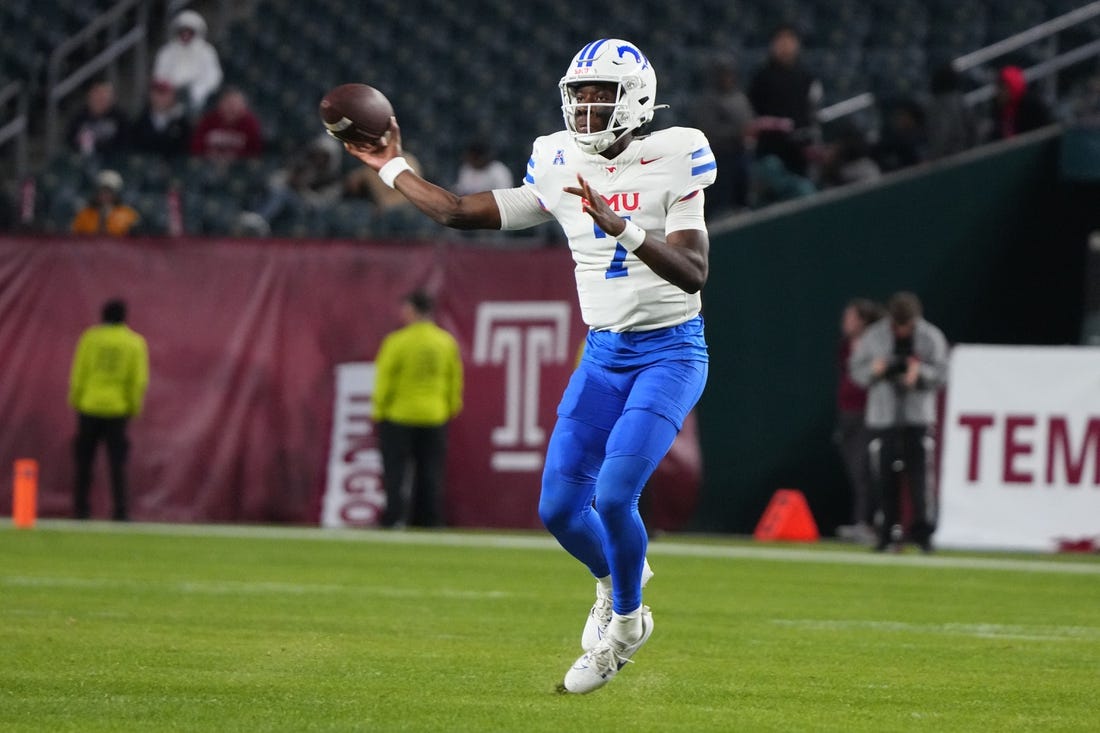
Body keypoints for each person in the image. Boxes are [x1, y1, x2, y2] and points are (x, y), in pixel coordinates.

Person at [343, 38, 716, 694]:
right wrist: (390, 165)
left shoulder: (677, 150)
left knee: (615, 494)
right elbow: (461, 211)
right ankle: (611, 583)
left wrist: (622, 228)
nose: (586, 106)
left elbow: (694, 270)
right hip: (603, 353)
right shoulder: (557, 157)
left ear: (634, 99)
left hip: (670, 349)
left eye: (600, 93)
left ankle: (628, 624)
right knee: (560, 509)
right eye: (579, 94)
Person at [848, 292, 948, 554]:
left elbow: (942, 373)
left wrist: (920, 374)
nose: (902, 330)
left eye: (907, 325)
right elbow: (856, 371)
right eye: (898, 325)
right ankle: (886, 533)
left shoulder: (930, 337)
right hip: (883, 417)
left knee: (920, 479)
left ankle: (923, 534)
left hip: (917, 417)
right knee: (883, 478)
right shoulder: (874, 336)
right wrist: (876, 370)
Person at [372, 290, 463, 529]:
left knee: (395, 472)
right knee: (430, 471)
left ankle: (393, 517)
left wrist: (379, 410)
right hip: (434, 414)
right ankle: (429, 518)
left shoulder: (398, 341)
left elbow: (385, 380)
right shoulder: (445, 341)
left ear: (411, 311)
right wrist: (449, 408)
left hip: (399, 415)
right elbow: (454, 379)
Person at [68, 298, 150, 521]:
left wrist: (76, 400)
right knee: (117, 463)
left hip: (89, 405)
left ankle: (81, 510)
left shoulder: (90, 339)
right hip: (117, 408)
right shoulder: (134, 342)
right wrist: (133, 406)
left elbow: (79, 372)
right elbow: (138, 380)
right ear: (124, 317)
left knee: (84, 461)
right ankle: (120, 511)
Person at [833, 298, 883, 544]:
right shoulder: (846, 345)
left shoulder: (875, 345)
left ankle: (867, 523)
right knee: (855, 470)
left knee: (864, 469)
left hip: (868, 414)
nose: (845, 323)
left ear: (863, 321)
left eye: (851, 318)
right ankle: (860, 522)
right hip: (847, 413)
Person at [748, 24, 822, 176]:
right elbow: (753, 114)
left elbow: (811, 110)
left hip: (801, 147)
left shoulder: (806, 77)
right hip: (771, 148)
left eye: (789, 39)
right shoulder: (762, 77)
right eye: (780, 40)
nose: (785, 44)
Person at [239, 133, 344, 234]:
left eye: (324, 156)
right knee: (278, 192)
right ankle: (258, 219)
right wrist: (289, 181)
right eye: (318, 153)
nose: (319, 158)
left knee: (282, 194)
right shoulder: (302, 167)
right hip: (290, 202)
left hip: (309, 210)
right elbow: (274, 181)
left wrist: (303, 190)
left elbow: (324, 203)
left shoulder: (332, 179)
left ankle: (261, 217)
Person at [693, 57, 754, 215]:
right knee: (721, 204)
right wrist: (737, 132)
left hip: (741, 153)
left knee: (742, 201)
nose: (727, 78)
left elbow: (749, 120)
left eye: (729, 74)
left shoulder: (739, 97)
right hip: (719, 157)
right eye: (723, 74)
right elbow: (709, 130)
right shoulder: (708, 101)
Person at [153, 10, 223, 116]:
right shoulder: (167, 52)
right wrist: (171, 92)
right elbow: (159, 76)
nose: (185, 35)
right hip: (171, 99)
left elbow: (213, 77)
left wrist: (197, 92)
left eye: (189, 31)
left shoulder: (207, 51)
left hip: (199, 99)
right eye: (182, 31)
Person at [190, 87, 263, 162]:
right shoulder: (208, 120)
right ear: (220, 104)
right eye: (228, 103)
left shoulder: (250, 123)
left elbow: (255, 151)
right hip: (208, 166)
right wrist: (209, 155)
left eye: (235, 104)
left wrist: (237, 157)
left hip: (240, 168)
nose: (231, 108)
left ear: (243, 107)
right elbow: (196, 147)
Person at [925, 64, 978, 161]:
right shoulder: (961, 101)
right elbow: (973, 131)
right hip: (964, 156)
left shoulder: (937, 106)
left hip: (947, 162)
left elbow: (941, 138)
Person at [128, 78, 192, 158]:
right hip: (146, 166)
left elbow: (186, 151)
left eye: (164, 93)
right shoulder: (140, 121)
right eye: (157, 93)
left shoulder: (182, 123)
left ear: (173, 95)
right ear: (151, 95)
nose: (160, 98)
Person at [987, 65, 1053, 142]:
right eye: (998, 88)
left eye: (1003, 88)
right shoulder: (998, 110)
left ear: (1013, 86)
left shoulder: (1032, 106)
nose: (999, 93)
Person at [66, 80, 127, 157]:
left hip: (111, 160)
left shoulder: (120, 118)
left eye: (103, 96)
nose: (99, 99)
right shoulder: (79, 117)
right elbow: (70, 141)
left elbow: (124, 144)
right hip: (83, 159)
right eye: (97, 94)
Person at [70, 170, 141, 236]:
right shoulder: (84, 215)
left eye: (109, 191)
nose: (104, 195)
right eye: (102, 191)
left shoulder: (128, 215)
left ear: (116, 194)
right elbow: (75, 238)